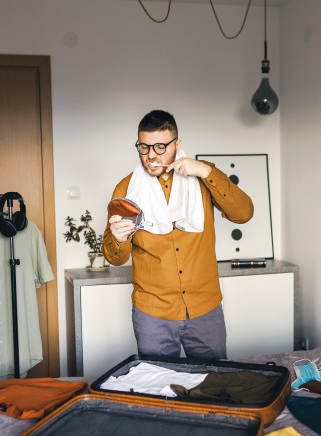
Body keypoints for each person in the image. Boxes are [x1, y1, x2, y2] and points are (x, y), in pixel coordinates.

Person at [102, 110, 254, 360]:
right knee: (158, 389)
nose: (151, 155)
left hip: (205, 309)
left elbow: (243, 213)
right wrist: (118, 239)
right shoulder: (126, 189)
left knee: (212, 384)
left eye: (160, 147)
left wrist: (206, 172)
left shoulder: (204, 176)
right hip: (152, 313)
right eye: (144, 147)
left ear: (177, 144)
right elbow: (115, 258)